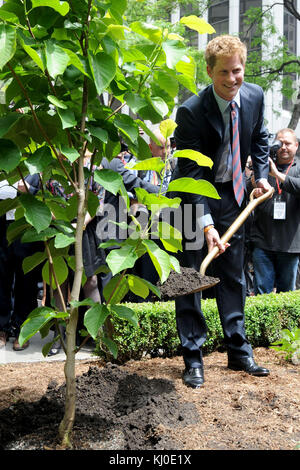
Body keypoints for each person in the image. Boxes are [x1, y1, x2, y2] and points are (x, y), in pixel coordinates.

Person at [171, 34, 272, 388]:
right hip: (192, 194)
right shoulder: (191, 111)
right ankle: (193, 357)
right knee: (191, 277)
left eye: (237, 71)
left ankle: (239, 352)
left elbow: (260, 138)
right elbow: (192, 174)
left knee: (233, 272)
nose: (232, 80)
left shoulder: (255, 96)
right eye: (224, 73)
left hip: (233, 192)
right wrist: (206, 225)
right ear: (210, 71)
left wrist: (259, 177)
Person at [250, 128, 300, 294]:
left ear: (297, 146)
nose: (283, 147)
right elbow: (246, 187)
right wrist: (256, 182)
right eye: (280, 143)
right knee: (261, 293)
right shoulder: (265, 165)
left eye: (288, 143)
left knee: (287, 294)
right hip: (263, 241)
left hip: (290, 244)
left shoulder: (297, 167)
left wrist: (276, 174)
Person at [0, 175, 42, 351]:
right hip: (1, 224)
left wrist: (30, 190)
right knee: (1, 277)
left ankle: (22, 330)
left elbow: (44, 195)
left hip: (27, 224)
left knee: (27, 279)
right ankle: (2, 328)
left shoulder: (33, 165)